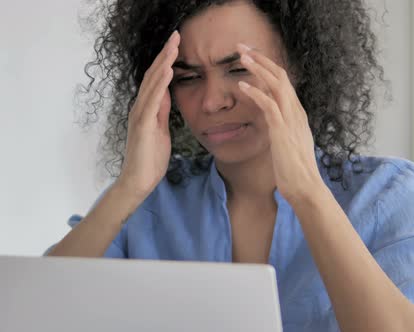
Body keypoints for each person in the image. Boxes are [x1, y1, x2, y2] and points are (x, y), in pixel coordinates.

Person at [46, 0, 414, 331]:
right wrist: (130, 186)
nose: (211, 102)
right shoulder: (146, 205)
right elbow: (39, 308)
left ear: (300, 64)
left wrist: (307, 193)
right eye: (188, 77)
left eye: (238, 69)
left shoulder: (387, 193)